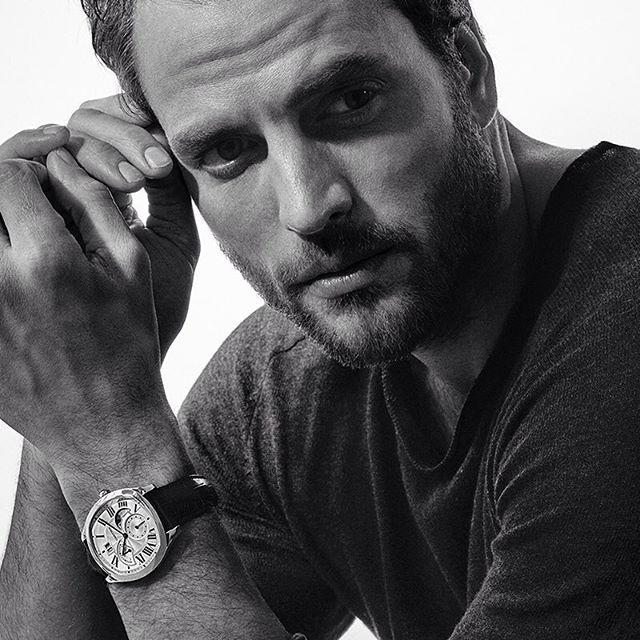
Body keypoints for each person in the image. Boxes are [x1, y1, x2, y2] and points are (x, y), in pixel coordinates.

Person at [1, 0, 640, 638]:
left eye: (352, 100)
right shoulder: (282, 391)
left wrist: (112, 442)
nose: (307, 207)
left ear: (467, 69)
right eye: (226, 148)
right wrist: (70, 358)